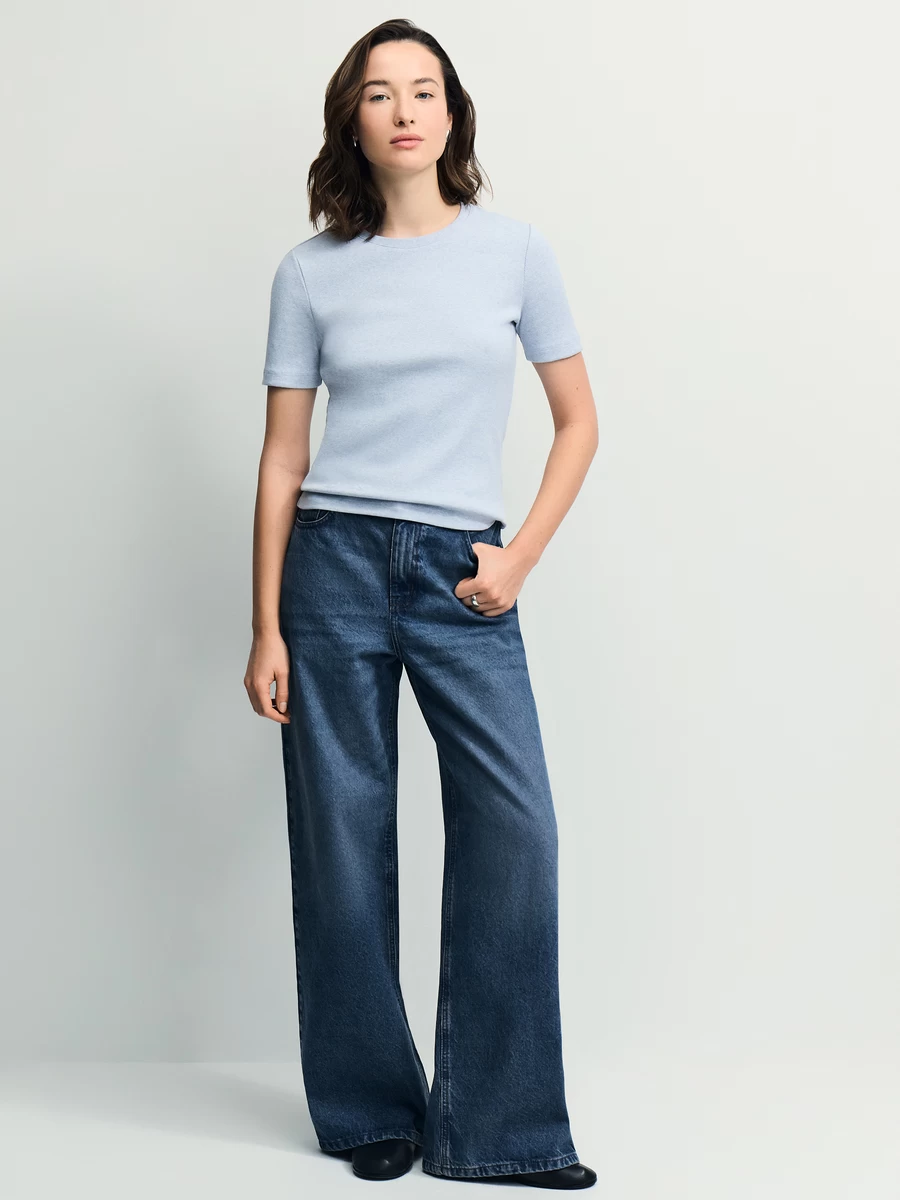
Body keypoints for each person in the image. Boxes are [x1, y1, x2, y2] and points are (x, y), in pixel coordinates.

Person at [244, 18, 599, 1190]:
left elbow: (579, 423)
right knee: (342, 844)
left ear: (453, 114)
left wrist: (519, 559)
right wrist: (265, 625)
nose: (405, 109)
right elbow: (284, 458)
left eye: (425, 89)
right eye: (381, 92)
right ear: (352, 119)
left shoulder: (514, 253)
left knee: (516, 828)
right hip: (333, 566)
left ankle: (499, 1130)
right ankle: (368, 1114)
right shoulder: (310, 272)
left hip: (464, 572)